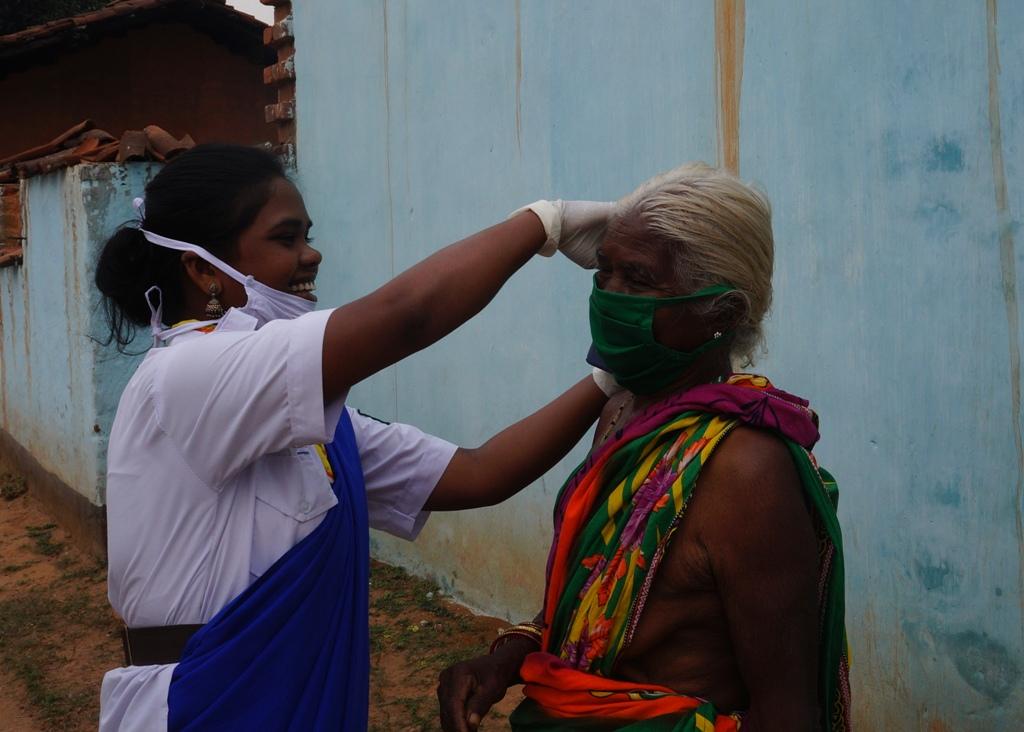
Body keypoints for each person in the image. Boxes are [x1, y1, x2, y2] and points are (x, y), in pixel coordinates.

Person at [94, 143, 626, 731]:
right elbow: (407, 316)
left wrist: (610, 374)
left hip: (288, 697)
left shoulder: (314, 426)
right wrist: (543, 224)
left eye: (307, 236)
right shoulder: (186, 376)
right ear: (202, 269)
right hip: (209, 701)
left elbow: (480, 473)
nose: (311, 254)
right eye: (285, 238)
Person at [438, 164, 851, 732]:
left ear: (722, 312)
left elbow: (788, 711)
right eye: (604, 272)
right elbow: (599, 599)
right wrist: (508, 656)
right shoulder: (620, 412)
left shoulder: (745, 468)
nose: (610, 296)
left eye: (638, 279)